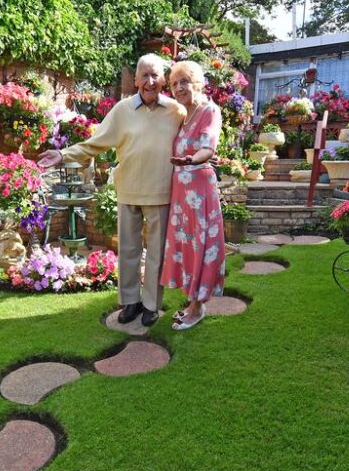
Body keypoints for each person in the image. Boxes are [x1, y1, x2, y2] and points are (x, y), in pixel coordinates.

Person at [38, 54, 184, 327]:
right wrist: (63, 155)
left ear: (164, 80)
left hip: (161, 191)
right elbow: (96, 143)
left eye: (155, 75)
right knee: (128, 249)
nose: (150, 81)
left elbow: (197, 129)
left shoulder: (176, 110)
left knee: (156, 253)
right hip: (128, 189)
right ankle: (131, 302)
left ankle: (152, 304)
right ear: (136, 80)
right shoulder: (122, 110)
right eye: (144, 75)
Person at [160, 60, 224, 331]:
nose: (178, 88)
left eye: (184, 81)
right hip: (182, 194)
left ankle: (197, 307)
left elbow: (208, 147)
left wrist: (190, 160)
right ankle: (191, 302)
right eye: (174, 84)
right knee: (187, 246)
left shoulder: (210, 110)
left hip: (199, 188)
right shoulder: (183, 116)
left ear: (197, 82)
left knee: (201, 245)